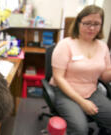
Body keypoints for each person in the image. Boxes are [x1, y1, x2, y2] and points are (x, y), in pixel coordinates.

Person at [49, 5, 111, 135]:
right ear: (78, 23)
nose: (92, 28)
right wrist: (82, 102)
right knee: (80, 129)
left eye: (96, 24)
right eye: (87, 23)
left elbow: (105, 76)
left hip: (91, 91)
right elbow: (59, 78)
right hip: (66, 92)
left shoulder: (103, 46)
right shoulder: (65, 45)